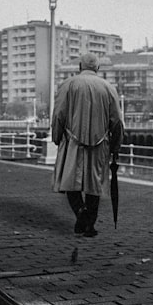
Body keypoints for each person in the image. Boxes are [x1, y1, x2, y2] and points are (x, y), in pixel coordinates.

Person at [50, 52, 123, 237]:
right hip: (100, 144)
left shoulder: (68, 85)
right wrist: (115, 146)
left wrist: (57, 137)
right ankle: (90, 223)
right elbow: (117, 122)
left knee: (70, 182)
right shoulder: (108, 88)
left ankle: (81, 212)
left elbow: (58, 115)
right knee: (94, 184)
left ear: (80, 67)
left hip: (72, 141)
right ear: (97, 68)